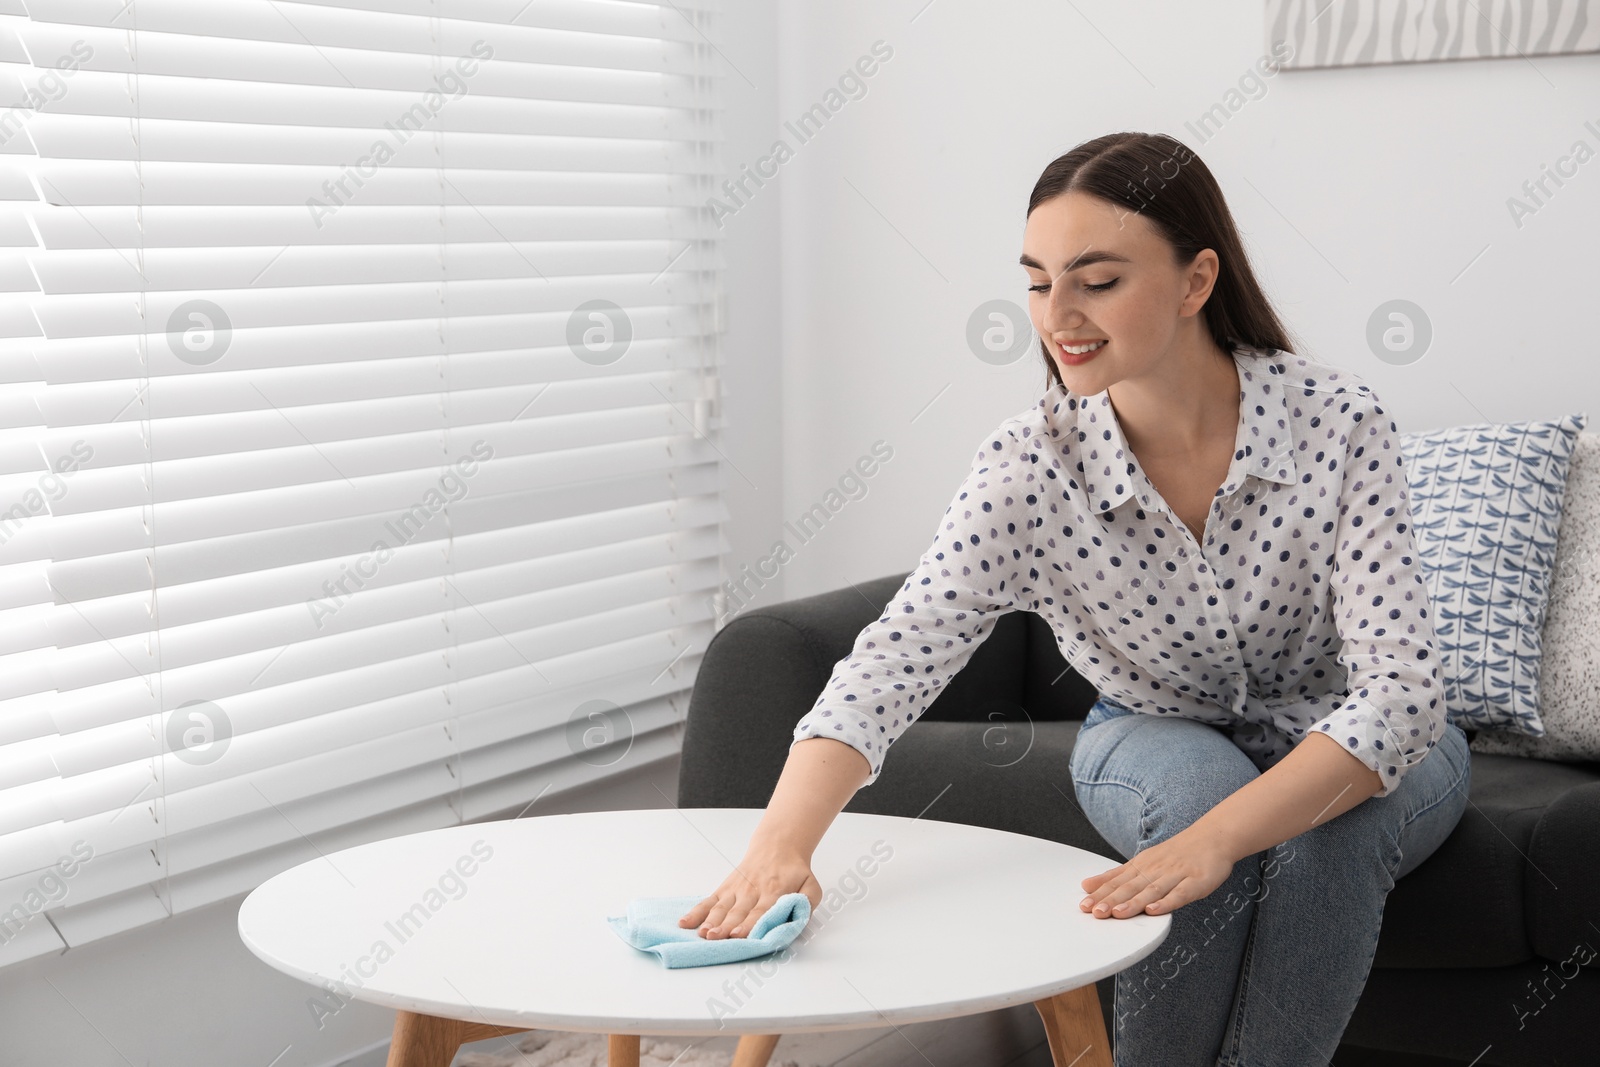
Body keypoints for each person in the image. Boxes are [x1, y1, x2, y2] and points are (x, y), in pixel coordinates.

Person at [677, 130, 1471, 1066]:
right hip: (1149, 724)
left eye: (1097, 280)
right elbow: (895, 657)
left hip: (1348, 726)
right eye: (1037, 279)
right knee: (1189, 802)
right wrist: (782, 844)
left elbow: (1404, 694)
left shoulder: (1339, 424)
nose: (1057, 314)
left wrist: (1223, 840)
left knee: (1324, 841)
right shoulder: (1028, 468)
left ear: (1195, 281)